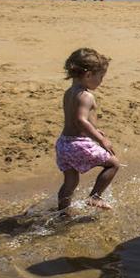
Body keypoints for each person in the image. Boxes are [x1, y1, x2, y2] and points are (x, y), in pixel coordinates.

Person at [56, 47, 121, 213]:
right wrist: (101, 140)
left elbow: (75, 119)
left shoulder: (69, 92)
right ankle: (95, 197)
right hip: (78, 143)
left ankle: (62, 213)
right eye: (101, 76)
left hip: (63, 144)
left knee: (70, 182)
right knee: (113, 164)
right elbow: (80, 120)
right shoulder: (86, 96)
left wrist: (96, 130)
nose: (101, 81)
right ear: (88, 75)